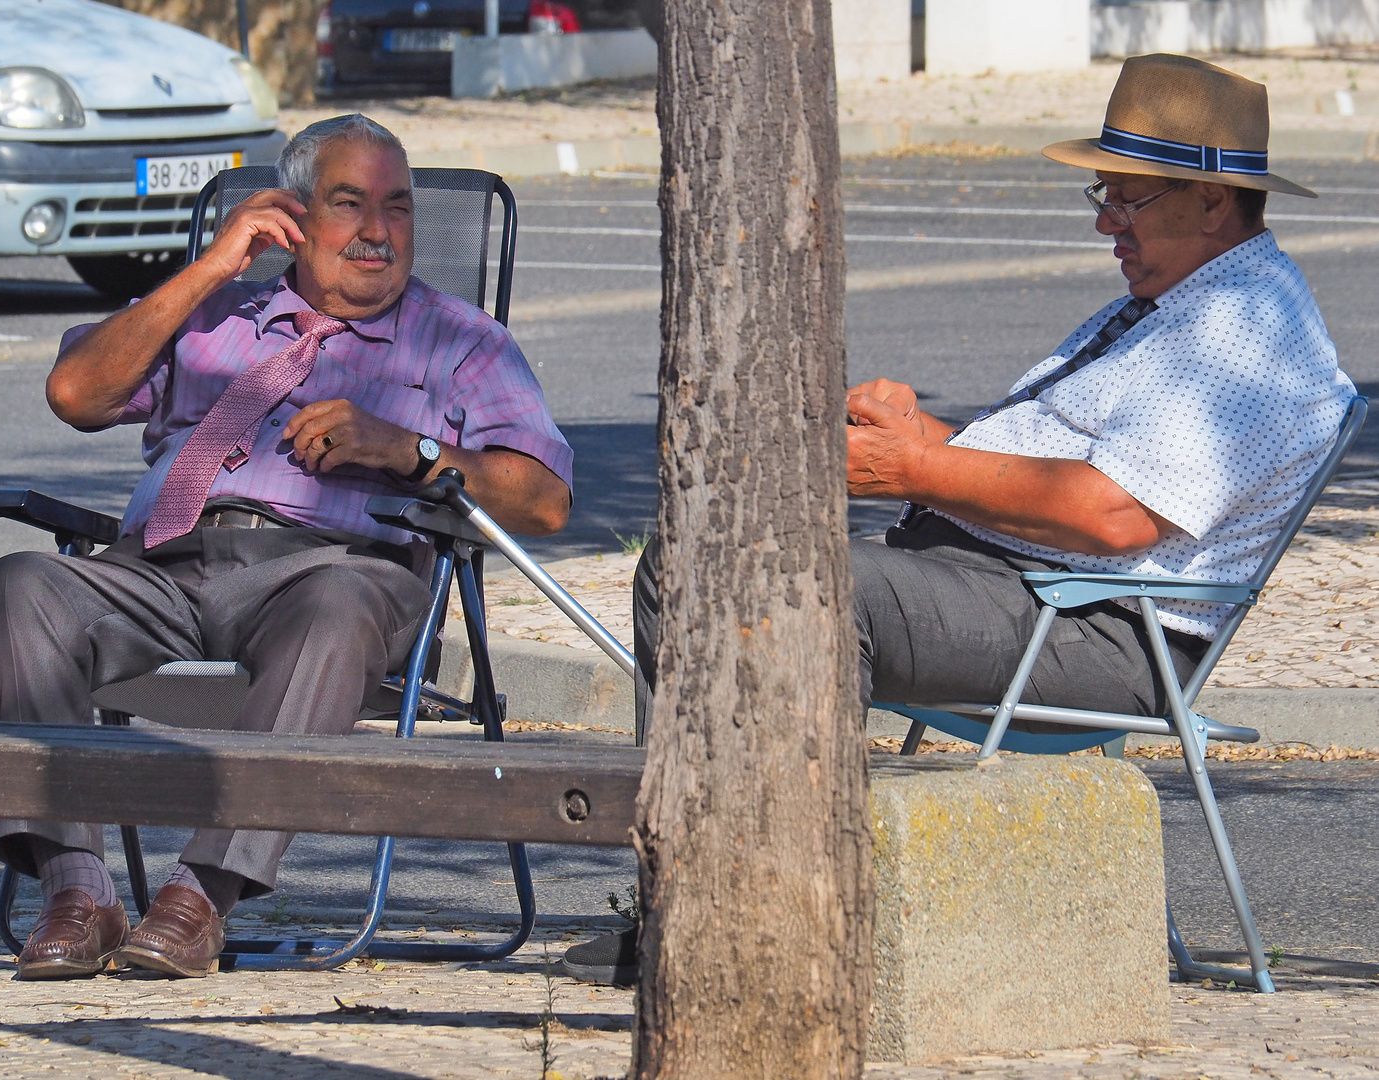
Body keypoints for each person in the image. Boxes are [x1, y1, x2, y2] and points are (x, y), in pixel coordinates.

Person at [561, 53, 1356, 986]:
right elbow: (1056, 466)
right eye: (1103, 192)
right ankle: (710, 896)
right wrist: (924, 437)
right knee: (700, 559)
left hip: (1091, 627)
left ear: (1212, 204)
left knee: (780, 586)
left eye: (1127, 200)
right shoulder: (1172, 302)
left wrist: (917, 466)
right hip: (1020, 592)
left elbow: (1110, 513)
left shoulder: (1240, 331)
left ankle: (775, 917)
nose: (1105, 222)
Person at [0, 114, 573, 981]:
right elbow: (75, 392)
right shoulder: (214, 313)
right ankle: (77, 889)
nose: (377, 231)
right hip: (161, 572)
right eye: (349, 203)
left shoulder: (461, 341)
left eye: (396, 208)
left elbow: (544, 499)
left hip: (330, 573)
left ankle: (199, 895)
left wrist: (411, 449)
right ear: (290, 214)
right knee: (18, 586)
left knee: (339, 602)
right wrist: (211, 267)